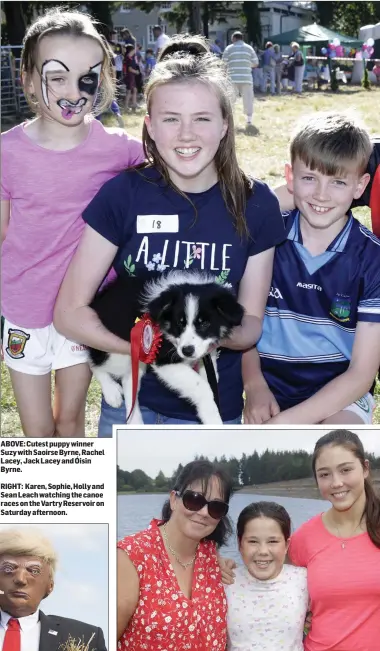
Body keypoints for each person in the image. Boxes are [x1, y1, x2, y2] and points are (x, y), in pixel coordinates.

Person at [53, 44, 285, 435]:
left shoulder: (255, 202)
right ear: (149, 125)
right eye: (171, 119)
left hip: (214, 411)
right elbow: (69, 313)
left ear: (226, 123)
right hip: (131, 409)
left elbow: (251, 325)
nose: (186, 134)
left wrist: (202, 341)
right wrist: (149, 352)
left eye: (202, 118)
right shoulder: (123, 194)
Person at [0, 8, 144, 437]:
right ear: (27, 78)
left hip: (82, 311)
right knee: (38, 430)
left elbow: (179, 168)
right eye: (57, 76)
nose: (73, 91)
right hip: (23, 313)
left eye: (87, 76)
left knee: (69, 420)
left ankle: (75, 505)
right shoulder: (6, 152)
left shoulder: (120, 149)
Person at [243, 112, 380, 426]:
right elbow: (241, 322)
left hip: (341, 395)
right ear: (289, 177)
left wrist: (285, 425)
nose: (321, 194)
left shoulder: (372, 260)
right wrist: (253, 384)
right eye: (309, 178)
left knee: (341, 444)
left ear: (360, 186)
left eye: (338, 182)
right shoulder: (266, 238)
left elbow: (360, 375)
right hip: (270, 388)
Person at [117, 460, 232, 649]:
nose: (204, 513)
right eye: (194, 500)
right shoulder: (131, 557)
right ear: (173, 500)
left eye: (216, 507)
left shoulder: (210, 556)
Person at [289, 429, 380, 650]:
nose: (336, 483)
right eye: (324, 474)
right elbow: (274, 585)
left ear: (365, 468)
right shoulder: (303, 537)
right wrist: (223, 565)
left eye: (346, 470)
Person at [0, 528, 107, 651]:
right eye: (8, 569)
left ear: (50, 586)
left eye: (34, 571)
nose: (20, 579)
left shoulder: (86, 637)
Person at [226, 501, 308, 650]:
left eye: (272, 541)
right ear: (240, 544)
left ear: (287, 545)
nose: (263, 551)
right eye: (253, 541)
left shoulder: (304, 580)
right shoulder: (226, 582)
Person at [222, 31, 258, 125]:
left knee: (231, 99)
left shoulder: (229, 48)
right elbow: (255, 63)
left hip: (232, 78)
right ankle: (249, 119)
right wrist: (246, 65)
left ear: (234, 38)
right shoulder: (249, 48)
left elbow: (223, 63)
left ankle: (230, 119)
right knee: (248, 99)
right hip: (246, 78)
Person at [123, 44, 139, 111]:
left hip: (132, 76)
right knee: (129, 91)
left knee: (135, 90)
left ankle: (134, 104)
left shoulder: (132, 57)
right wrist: (136, 72)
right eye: (133, 50)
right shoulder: (128, 57)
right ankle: (126, 106)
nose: (134, 51)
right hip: (129, 76)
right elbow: (129, 69)